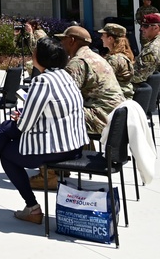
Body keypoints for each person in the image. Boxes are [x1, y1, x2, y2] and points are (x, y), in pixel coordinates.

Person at [0, 37, 88, 225]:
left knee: (6, 150)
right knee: (6, 129)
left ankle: (30, 206)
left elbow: (24, 126)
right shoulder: (65, 76)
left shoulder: (43, 81)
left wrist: (21, 117)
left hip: (57, 148)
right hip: (73, 144)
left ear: (40, 58)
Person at [33, 25, 123, 190]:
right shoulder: (94, 57)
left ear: (72, 41)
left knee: (50, 118)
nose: (60, 44)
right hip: (111, 116)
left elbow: (61, 97)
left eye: (63, 40)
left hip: (102, 117)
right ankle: (61, 166)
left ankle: (49, 174)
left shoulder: (78, 62)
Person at [130, 13, 160, 84]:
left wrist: (118, 76)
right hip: (149, 86)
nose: (141, 28)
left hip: (142, 88)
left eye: (145, 26)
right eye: (142, 25)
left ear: (156, 27)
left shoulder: (153, 49)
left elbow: (139, 77)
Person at [99, 23, 135, 98]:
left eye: (103, 35)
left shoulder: (114, 59)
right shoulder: (123, 55)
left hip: (117, 98)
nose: (101, 38)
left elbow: (102, 81)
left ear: (110, 39)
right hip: (123, 95)